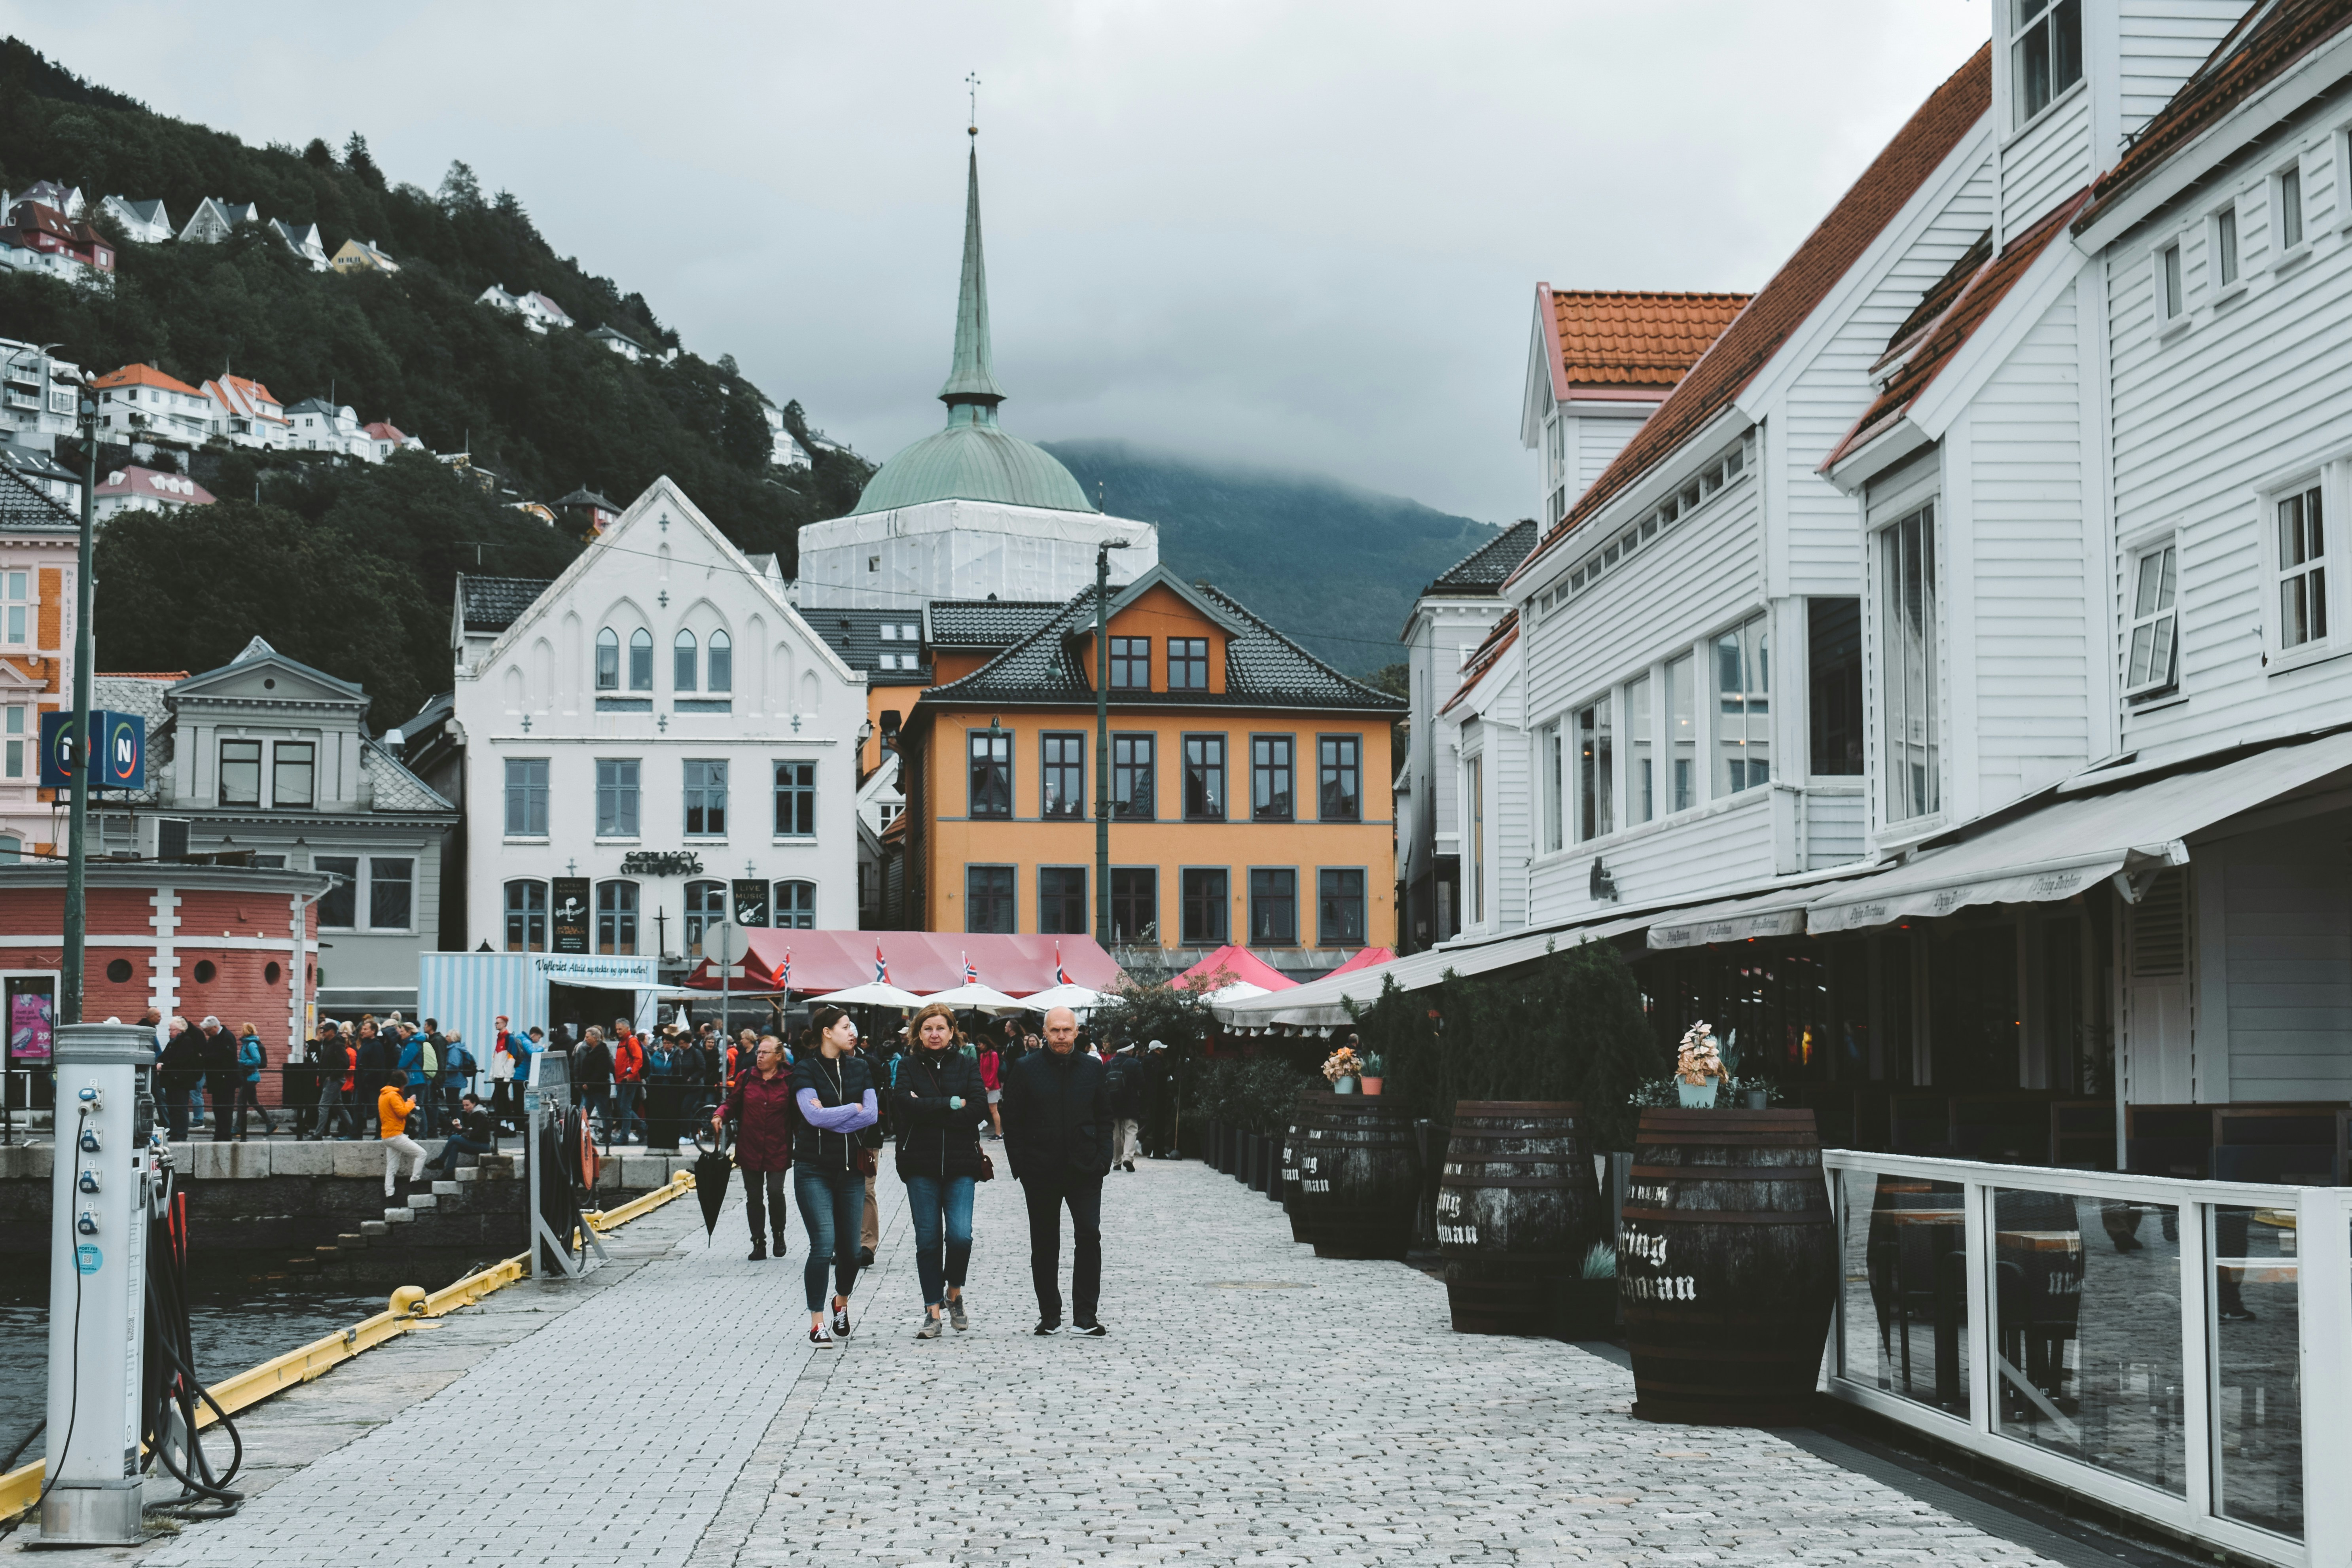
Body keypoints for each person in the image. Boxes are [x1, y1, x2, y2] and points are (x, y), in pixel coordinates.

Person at [1000, 1006, 1112, 1337]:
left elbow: (1105, 1116)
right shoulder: (1025, 1068)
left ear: (1078, 1032)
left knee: (1089, 1236)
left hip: (1086, 1168)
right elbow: (1012, 1120)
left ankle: (1086, 1317)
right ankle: (1050, 1315)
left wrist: (1103, 1159)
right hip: (1040, 1169)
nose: (1061, 1036)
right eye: (1055, 1031)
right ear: (1044, 1033)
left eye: (1067, 1030)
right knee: (1045, 1243)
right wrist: (1020, 1165)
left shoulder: (1093, 1068)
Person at [894, 1003, 990, 1338]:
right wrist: (952, 1103)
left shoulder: (966, 1065)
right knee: (928, 1240)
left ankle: (954, 1292)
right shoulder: (907, 1066)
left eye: (941, 1028)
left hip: (961, 1162)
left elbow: (979, 1107)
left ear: (952, 1032)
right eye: (928, 1029)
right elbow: (904, 1106)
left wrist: (929, 1107)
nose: (934, 1034)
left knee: (961, 1236)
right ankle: (932, 1311)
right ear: (918, 1033)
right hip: (919, 1163)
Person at [791, 1005, 877, 1346]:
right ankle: (817, 1321)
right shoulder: (804, 1070)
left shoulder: (861, 1067)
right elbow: (812, 1119)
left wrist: (837, 1115)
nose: (851, 1031)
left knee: (852, 1251)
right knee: (823, 1244)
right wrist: (849, 1111)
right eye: (845, 1026)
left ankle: (841, 1302)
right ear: (827, 1032)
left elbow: (870, 1115)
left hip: (852, 1170)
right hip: (814, 1169)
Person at [712, 1035, 795, 1262]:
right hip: (750, 1145)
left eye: (765, 1053)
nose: (759, 1057)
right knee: (754, 1196)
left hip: (778, 1146)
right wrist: (720, 1114)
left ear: (778, 1057)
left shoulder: (790, 1079)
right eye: (758, 1052)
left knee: (775, 1191)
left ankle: (779, 1233)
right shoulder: (747, 1076)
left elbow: (799, 1113)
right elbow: (733, 1102)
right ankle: (758, 1242)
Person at [426, 1093, 498, 1175]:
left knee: (453, 1138)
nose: (465, 1108)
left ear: (474, 1103)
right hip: (479, 1143)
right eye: (464, 1105)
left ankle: (440, 1161)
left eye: (467, 1105)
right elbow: (475, 1131)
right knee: (455, 1147)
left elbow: (476, 1134)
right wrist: (462, 1129)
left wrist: (464, 1135)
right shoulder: (476, 1113)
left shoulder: (479, 1115)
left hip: (483, 1145)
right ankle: (448, 1172)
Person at [378, 1076, 426, 1197]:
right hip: (396, 1135)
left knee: (392, 1167)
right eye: (404, 1085)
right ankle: (415, 1182)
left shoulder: (383, 1095)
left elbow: (396, 1110)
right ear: (401, 1084)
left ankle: (390, 1194)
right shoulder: (393, 1095)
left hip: (387, 1135)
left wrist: (406, 1104)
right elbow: (402, 1112)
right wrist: (411, 1102)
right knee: (422, 1154)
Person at [159, 1016, 203, 1140]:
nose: (170, 1032)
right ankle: (174, 1132)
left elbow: (180, 1060)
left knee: (181, 1107)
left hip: (181, 1080)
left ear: (179, 1030)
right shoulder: (173, 1042)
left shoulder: (186, 1041)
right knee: (173, 1107)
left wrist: (164, 1065)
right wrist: (161, 1062)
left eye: (172, 1030)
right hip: (172, 1080)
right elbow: (165, 1056)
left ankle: (181, 1133)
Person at [199, 1016, 241, 1144]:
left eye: (208, 1031)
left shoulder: (227, 1037)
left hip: (226, 1080)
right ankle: (219, 1133)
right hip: (217, 1080)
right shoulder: (214, 1038)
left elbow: (228, 1057)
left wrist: (207, 1058)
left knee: (226, 1108)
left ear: (215, 1028)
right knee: (218, 1108)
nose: (206, 1034)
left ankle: (226, 1134)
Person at [312, 1024, 356, 1139]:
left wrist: (332, 1076)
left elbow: (345, 1063)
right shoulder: (329, 1044)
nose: (324, 1032)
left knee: (323, 1106)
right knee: (339, 1107)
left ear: (333, 1032)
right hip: (331, 1080)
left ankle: (318, 1134)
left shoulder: (337, 1045)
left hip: (334, 1080)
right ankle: (354, 1131)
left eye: (326, 1031)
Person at [1105, 1043, 1144, 1173]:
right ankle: (1128, 1157)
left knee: (1115, 1133)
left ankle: (1116, 1162)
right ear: (1130, 1050)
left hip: (1112, 1103)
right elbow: (1141, 1084)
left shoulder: (1109, 1064)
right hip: (1130, 1102)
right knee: (1131, 1129)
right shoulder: (1134, 1063)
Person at [233, 1021, 275, 1140]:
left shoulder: (251, 1044)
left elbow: (257, 1060)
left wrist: (241, 1062)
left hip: (250, 1077)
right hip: (250, 1077)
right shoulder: (248, 1044)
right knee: (253, 1101)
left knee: (241, 1101)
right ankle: (270, 1123)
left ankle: (238, 1127)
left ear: (246, 1031)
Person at [575, 1026, 614, 1144]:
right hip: (591, 1088)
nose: (585, 1039)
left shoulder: (601, 1052)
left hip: (598, 1089)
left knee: (603, 1113)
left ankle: (607, 1137)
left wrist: (589, 1084)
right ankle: (581, 1135)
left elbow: (601, 1071)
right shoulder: (593, 1050)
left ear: (595, 1038)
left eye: (588, 1037)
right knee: (585, 1113)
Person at [610, 1017, 646, 1144]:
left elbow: (638, 1059)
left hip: (629, 1080)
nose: (618, 1032)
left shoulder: (631, 1041)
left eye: (620, 1029)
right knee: (624, 1107)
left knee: (625, 1107)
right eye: (617, 1029)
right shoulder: (624, 1041)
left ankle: (624, 1136)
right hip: (622, 1080)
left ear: (627, 1028)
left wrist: (631, 1075)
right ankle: (642, 1127)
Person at [644, 1028, 680, 1151]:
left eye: (669, 1043)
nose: (667, 1045)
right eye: (665, 1043)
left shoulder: (677, 1055)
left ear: (673, 1044)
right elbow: (651, 1070)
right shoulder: (657, 1055)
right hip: (658, 1089)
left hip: (671, 1089)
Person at [977, 1035, 1004, 1140]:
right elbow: (982, 1071)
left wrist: (988, 1085)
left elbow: (994, 1071)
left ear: (986, 1044)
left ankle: (999, 1133)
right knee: (988, 1109)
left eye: (980, 1044)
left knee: (994, 1110)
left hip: (993, 1087)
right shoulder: (983, 1055)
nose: (979, 1046)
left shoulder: (993, 1054)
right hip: (986, 1086)